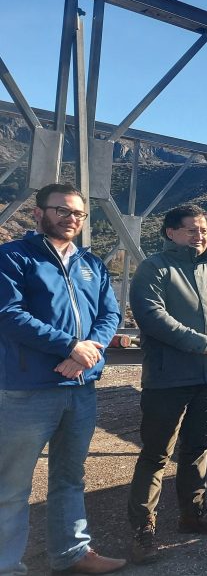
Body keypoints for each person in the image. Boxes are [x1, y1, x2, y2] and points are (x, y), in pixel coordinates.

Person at [0, 183, 124, 575]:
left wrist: (88, 351)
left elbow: (110, 315)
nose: (71, 219)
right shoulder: (13, 257)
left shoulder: (91, 264)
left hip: (80, 386)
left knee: (70, 476)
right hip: (28, 390)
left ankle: (72, 553)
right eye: (62, 211)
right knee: (11, 485)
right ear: (39, 214)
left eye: (78, 214)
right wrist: (70, 346)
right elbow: (9, 313)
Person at [128, 205, 207, 563]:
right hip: (168, 378)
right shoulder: (154, 268)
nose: (200, 236)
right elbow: (151, 316)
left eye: (204, 230)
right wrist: (204, 343)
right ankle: (142, 530)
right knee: (156, 454)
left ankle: (192, 515)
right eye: (192, 230)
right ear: (170, 233)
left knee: (198, 447)